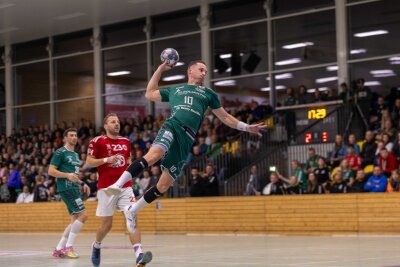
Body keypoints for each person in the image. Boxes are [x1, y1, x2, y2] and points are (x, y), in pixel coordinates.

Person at [104, 60, 265, 229]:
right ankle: (116, 186)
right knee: (155, 155)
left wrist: (246, 127)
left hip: (187, 138)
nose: (204, 73)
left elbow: (225, 118)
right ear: (190, 71)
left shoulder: (208, 94)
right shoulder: (176, 89)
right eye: (201, 69)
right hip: (173, 126)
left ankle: (133, 210)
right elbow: (149, 93)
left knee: (164, 185)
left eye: (206, 71)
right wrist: (160, 69)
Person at [85, 113, 152, 267]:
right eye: (113, 122)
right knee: (106, 225)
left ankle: (139, 255)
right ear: (105, 126)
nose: (117, 124)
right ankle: (96, 245)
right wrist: (105, 160)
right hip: (106, 188)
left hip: (125, 187)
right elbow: (89, 162)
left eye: (118, 122)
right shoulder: (97, 141)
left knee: (132, 217)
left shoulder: (126, 141)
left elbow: (129, 161)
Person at [48, 128, 91, 259]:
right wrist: (66, 175)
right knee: (83, 215)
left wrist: (83, 183)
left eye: (75, 136)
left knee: (74, 220)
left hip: (74, 188)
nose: (74, 138)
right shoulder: (60, 152)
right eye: (71, 135)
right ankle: (68, 247)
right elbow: (50, 171)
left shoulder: (76, 155)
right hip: (66, 188)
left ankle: (59, 249)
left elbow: (74, 175)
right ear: (65, 138)